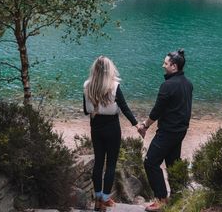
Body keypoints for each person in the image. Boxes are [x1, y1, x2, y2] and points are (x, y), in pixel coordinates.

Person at [83, 56, 142, 212]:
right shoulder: (114, 86)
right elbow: (124, 108)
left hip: (95, 128)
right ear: (109, 70)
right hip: (112, 128)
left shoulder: (87, 85)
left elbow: (85, 111)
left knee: (98, 163)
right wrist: (137, 125)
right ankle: (105, 199)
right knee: (110, 165)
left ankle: (97, 199)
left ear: (94, 69)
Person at [138, 49, 193, 212]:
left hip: (168, 131)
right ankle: (178, 196)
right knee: (172, 163)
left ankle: (162, 199)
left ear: (174, 66)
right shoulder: (188, 84)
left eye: (166, 63)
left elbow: (157, 111)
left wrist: (145, 125)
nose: (163, 65)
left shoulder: (167, 85)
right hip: (180, 130)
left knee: (150, 162)